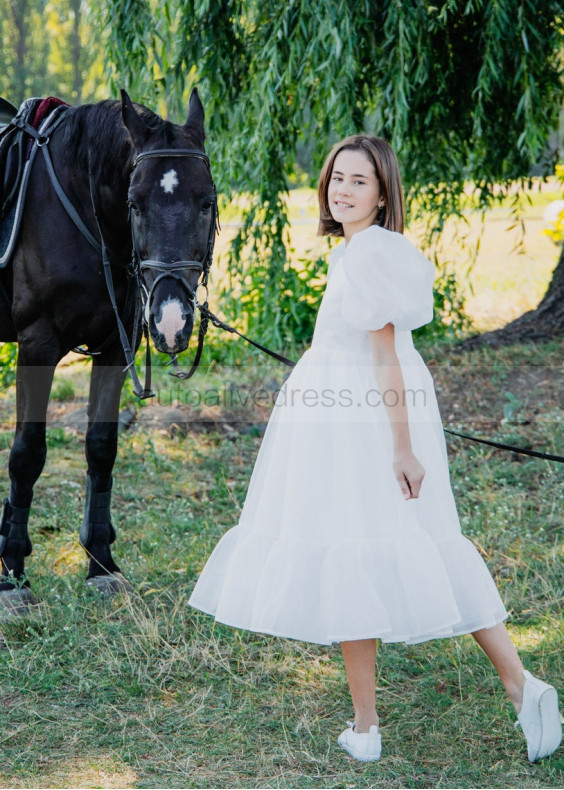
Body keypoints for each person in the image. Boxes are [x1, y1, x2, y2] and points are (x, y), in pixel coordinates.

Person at [189, 135, 562, 763]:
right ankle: (501, 694)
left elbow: (386, 358)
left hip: (365, 421)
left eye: (360, 181)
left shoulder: (367, 257)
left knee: (366, 548)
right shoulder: (363, 250)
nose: (343, 190)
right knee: (380, 550)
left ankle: (461, 702)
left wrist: (402, 449)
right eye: (338, 178)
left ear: (384, 192)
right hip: (346, 414)